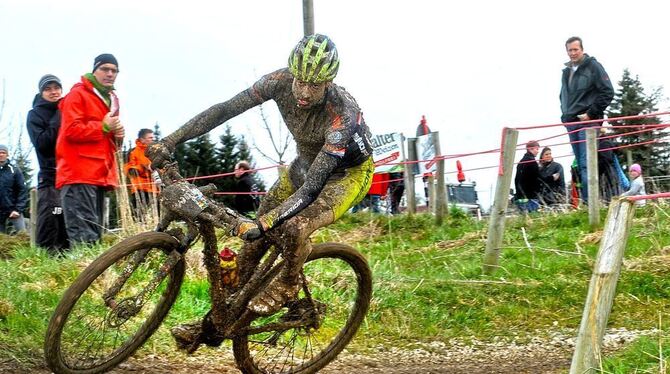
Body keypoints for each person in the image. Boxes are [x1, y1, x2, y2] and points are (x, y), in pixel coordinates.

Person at [149, 34, 373, 344]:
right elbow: (224, 111)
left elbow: (310, 191)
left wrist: (264, 223)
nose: (305, 93)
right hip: (305, 164)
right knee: (250, 249)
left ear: (329, 82)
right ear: (292, 73)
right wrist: (169, 140)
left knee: (293, 227)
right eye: (300, 82)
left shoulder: (342, 113)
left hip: (345, 176)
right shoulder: (277, 82)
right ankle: (215, 327)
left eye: (316, 85)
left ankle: (289, 284)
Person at [56, 53, 125, 245]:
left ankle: (95, 273)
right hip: (78, 173)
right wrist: (103, 127)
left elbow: (105, 138)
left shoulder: (111, 99)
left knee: (94, 234)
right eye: (105, 69)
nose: (110, 73)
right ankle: (83, 272)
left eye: (114, 70)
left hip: (98, 174)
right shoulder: (78, 95)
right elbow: (70, 130)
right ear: (94, 70)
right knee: (83, 235)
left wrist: (117, 137)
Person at [560, 36, 614, 202]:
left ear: (582, 49)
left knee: (586, 162)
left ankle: (591, 204)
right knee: (580, 162)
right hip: (571, 121)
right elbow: (563, 96)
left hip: (588, 121)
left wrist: (591, 114)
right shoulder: (566, 72)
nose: (573, 53)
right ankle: (588, 203)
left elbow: (608, 91)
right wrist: (564, 115)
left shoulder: (593, 67)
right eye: (570, 50)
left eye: (576, 49)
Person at [26, 74, 69, 253]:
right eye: (48, 89)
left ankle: (69, 262)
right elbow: (43, 143)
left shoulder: (69, 109)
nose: (53, 92)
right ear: (41, 92)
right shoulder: (35, 114)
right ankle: (45, 258)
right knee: (51, 219)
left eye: (56, 88)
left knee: (67, 221)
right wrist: (58, 117)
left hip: (71, 175)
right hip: (50, 177)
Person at [124, 128, 160, 220]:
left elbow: (160, 167)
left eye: (153, 137)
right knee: (139, 215)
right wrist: (143, 166)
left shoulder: (155, 151)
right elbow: (129, 169)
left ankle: (158, 231)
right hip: (140, 187)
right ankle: (140, 230)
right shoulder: (134, 152)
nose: (152, 139)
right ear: (142, 139)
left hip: (154, 186)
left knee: (159, 213)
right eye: (150, 138)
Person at [0, 145, 27, 234]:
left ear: (7, 155)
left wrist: (18, 209)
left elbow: (22, 190)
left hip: (14, 210)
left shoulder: (14, 170)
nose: (1, 155)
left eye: (3, 153)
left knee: (23, 236)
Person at [514, 140, 541, 213]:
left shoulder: (521, 162)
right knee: (533, 217)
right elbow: (539, 178)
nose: (538, 151)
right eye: (537, 149)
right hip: (530, 196)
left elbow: (516, 179)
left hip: (520, 196)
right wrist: (551, 178)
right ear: (530, 149)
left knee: (524, 218)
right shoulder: (532, 162)